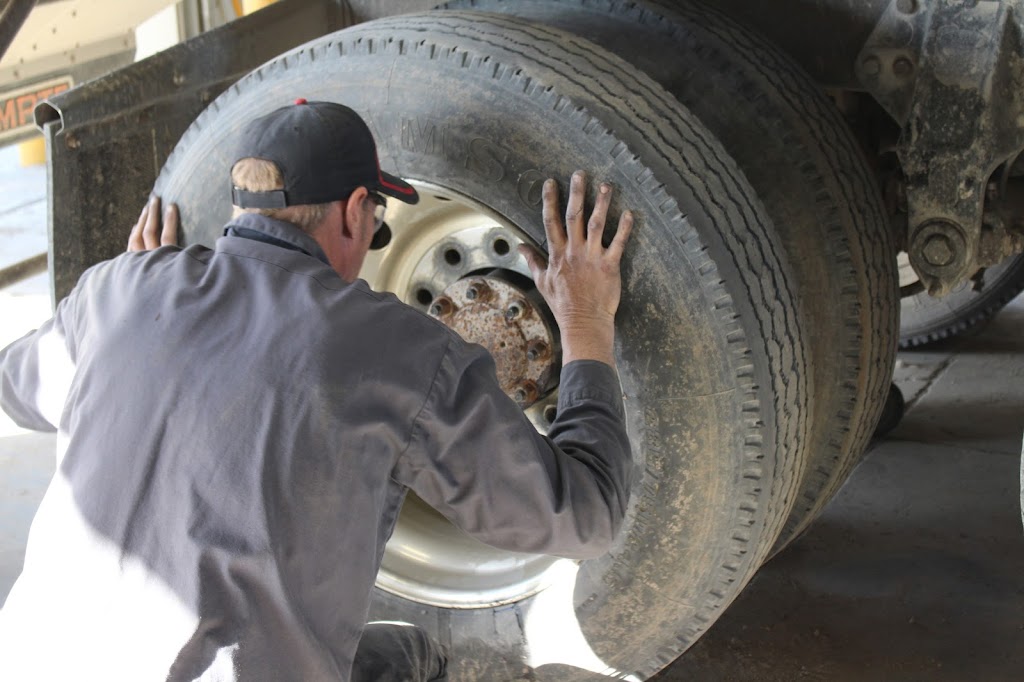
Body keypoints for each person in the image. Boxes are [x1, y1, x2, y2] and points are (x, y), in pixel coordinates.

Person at [0, 100, 634, 681]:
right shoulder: (394, 349)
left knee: (381, 654)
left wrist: (133, 300)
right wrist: (583, 324)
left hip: (34, 662)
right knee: (416, 659)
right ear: (357, 210)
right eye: (378, 225)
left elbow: (13, 388)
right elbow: (585, 515)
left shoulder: (115, 293)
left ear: (239, 210)